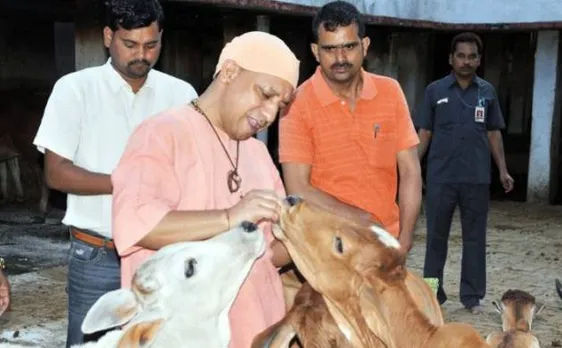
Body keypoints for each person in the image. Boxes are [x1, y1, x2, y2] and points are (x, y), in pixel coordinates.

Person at [111, 31, 299, 348]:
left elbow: (268, 254)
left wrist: (306, 240)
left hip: (255, 332)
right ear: (229, 72)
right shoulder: (162, 133)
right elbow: (135, 225)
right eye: (265, 94)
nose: (269, 115)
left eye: (279, 105)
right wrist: (230, 217)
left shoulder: (257, 154)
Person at [32, 0, 198, 345]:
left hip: (162, 255)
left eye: (151, 45)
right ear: (109, 37)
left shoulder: (181, 96)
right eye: (130, 44)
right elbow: (57, 173)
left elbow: (195, 172)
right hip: (96, 253)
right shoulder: (75, 89)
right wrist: (128, 181)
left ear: (161, 39)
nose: (142, 55)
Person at [278, 0, 422, 255]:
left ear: (364, 46)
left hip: (386, 241)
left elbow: (410, 170)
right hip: (326, 247)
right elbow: (298, 188)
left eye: (349, 46)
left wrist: (406, 236)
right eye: (330, 49)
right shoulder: (296, 105)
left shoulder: (390, 92)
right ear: (315, 51)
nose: (340, 58)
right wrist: (363, 220)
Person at [415, 32, 514, 314]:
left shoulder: (487, 93)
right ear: (451, 58)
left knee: (474, 239)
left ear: (479, 60)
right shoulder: (435, 91)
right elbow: (425, 133)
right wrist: (410, 170)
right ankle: (432, 295)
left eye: (472, 56)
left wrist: (503, 171)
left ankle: (472, 298)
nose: (466, 61)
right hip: (440, 178)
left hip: (476, 178)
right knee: (435, 238)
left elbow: (493, 133)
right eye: (461, 55)